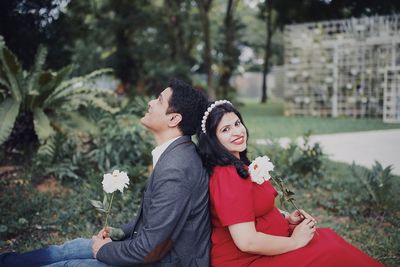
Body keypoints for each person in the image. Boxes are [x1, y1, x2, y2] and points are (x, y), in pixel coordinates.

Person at [0, 79, 211, 267]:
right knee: (71, 248)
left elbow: (148, 250)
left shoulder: (177, 170)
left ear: (173, 119)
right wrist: (119, 232)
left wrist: (103, 250)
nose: (150, 103)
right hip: (152, 251)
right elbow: (154, 224)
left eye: (159, 100)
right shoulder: (176, 154)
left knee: (70, 263)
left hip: (166, 261)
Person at [196, 100, 385, 267]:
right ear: (213, 140)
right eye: (225, 129)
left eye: (237, 123)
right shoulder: (227, 176)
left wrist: (286, 219)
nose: (237, 131)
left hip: (264, 250)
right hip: (248, 261)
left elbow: (249, 209)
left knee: (328, 238)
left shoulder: (238, 166)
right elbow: (247, 242)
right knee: (332, 252)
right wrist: (295, 242)